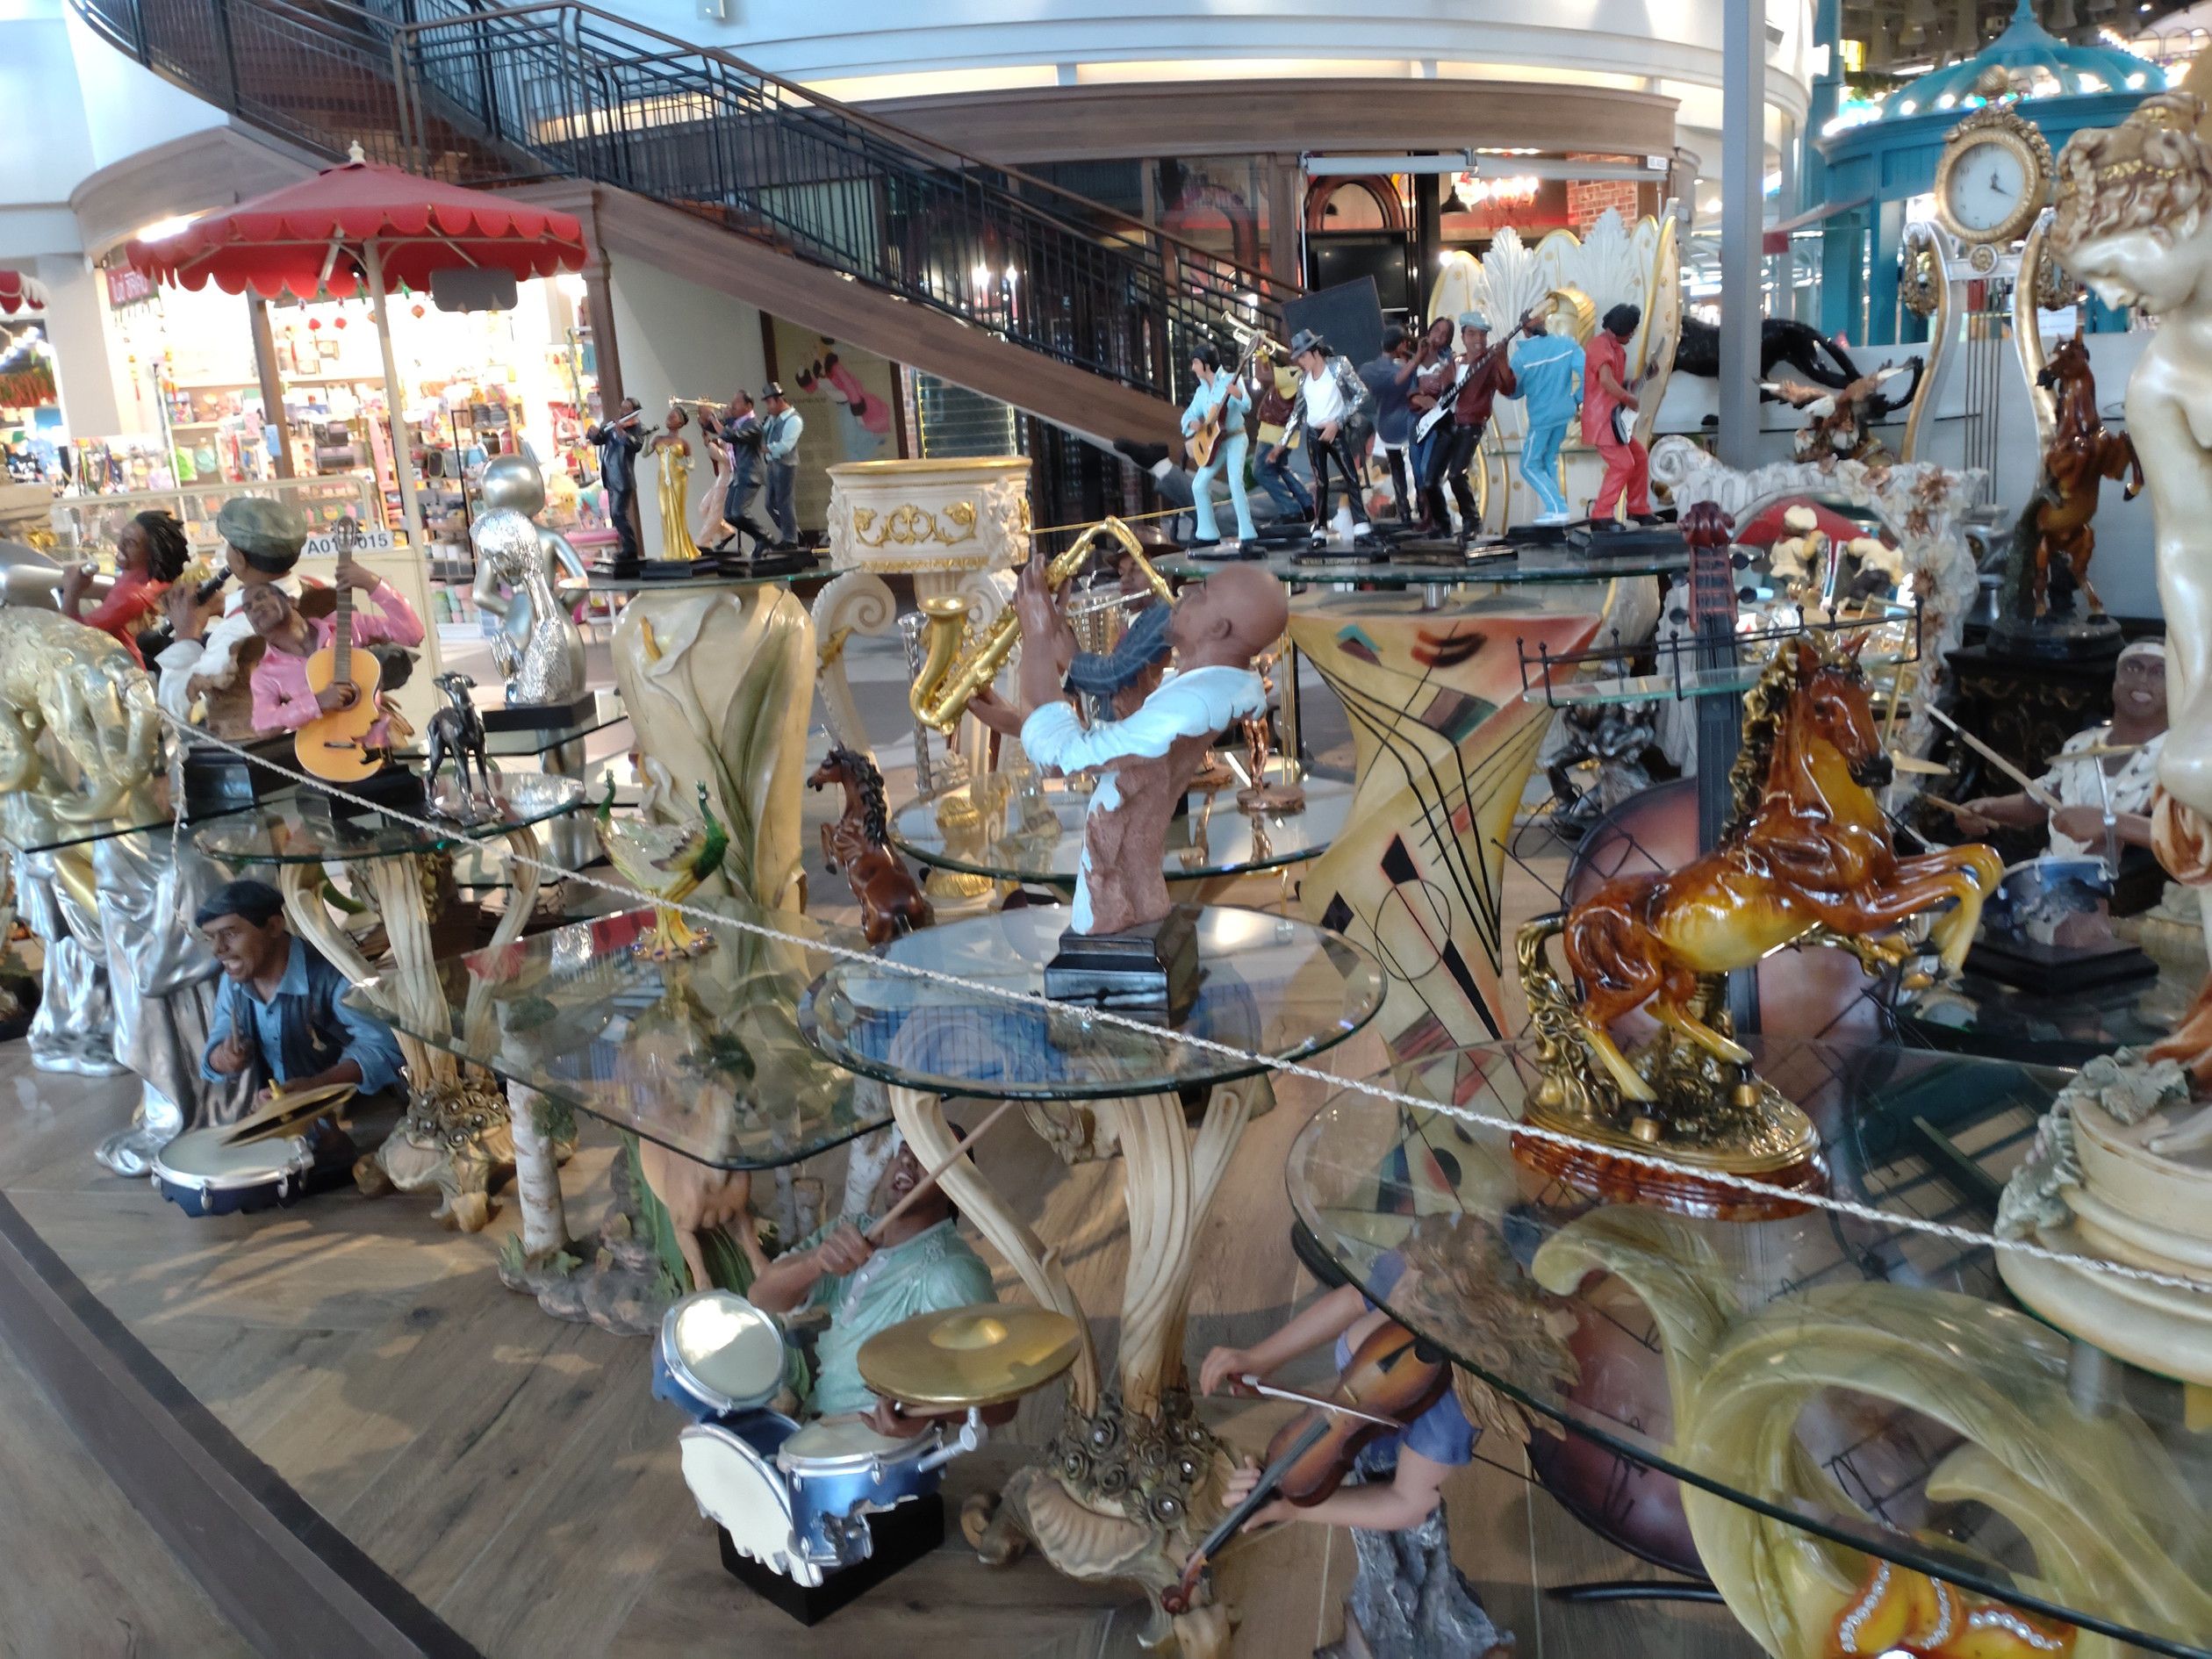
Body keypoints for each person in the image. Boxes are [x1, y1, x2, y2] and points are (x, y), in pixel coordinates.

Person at [1200, 1260, 1511, 1659]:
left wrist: (1294, 1508)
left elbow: (1408, 1503)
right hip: (1348, 1454)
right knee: (1377, 1574)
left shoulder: (1449, 1405)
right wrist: (1260, 1357)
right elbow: (1352, 1300)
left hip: (1392, 1499)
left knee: (1413, 1592)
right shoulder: (1428, 1266)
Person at [973, 557, 1288, 936]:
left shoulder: (1190, 705)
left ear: (1219, 628)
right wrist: (1017, 718)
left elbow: (1061, 757)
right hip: (1132, 885)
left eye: (1202, 592)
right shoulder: (1210, 685)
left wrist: (1037, 636)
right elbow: (1117, 746)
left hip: (1111, 887)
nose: (1186, 591)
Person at [746, 1129, 1000, 1433]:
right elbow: (761, 1296)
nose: (908, 1159)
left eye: (927, 1154)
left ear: (955, 1187)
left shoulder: (952, 1272)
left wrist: (921, 1412)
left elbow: (1001, 1402)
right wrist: (816, 1261)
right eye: (904, 1148)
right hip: (818, 1425)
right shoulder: (853, 1231)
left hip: (879, 1443)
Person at [197, 879, 406, 1107]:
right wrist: (222, 1058)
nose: (217, 949)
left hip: (366, 1113)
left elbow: (386, 1048)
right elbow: (222, 1033)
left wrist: (319, 1085)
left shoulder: (332, 977)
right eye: (210, 937)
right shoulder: (234, 984)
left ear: (274, 926)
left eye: (229, 934)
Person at [1956, 640, 2169, 859]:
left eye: (2159, 672)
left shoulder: (2184, 760)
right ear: (2115, 682)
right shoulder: (2082, 743)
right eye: (2133, 668)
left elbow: (2187, 840)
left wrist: (2109, 822)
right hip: (2055, 869)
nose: (2143, 680)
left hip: (2125, 879)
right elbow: (2039, 802)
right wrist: (1989, 808)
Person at [154, 496, 306, 733]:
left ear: (239, 558)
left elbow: (177, 710)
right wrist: (229, 605)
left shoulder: (234, 635)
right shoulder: (310, 592)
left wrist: (186, 635)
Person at [242, 551, 424, 748]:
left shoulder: (346, 625)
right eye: (247, 607)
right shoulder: (265, 674)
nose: (255, 607)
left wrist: (372, 583)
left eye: (261, 597)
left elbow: (412, 634)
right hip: (325, 754)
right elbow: (263, 725)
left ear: (291, 601)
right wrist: (316, 702)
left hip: (378, 745)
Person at [1425, 312, 1520, 541]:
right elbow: (1439, 389)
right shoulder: (1454, 362)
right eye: (1472, 333)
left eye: (1482, 334)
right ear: (1463, 336)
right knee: (1429, 480)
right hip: (1447, 424)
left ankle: (1472, 520)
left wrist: (1502, 359)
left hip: (1471, 424)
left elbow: (1508, 388)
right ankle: (1443, 524)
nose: (1478, 339)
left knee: (1456, 474)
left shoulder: (1490, 361)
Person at [61, 508, 189, 666]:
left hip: (119, 668)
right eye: (122, 538)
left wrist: (72, 591)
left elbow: (73, 638)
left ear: (151, 553)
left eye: (131, 543)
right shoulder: (149, 579)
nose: (120, 545)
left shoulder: (131, 595)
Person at [1282, 329, 1374, 548]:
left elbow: (1361, 393)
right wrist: (1283, 441)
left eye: (1303, 356)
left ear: (1315, 352)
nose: (1301, 362)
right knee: (1320, 482)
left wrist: (1338, 421)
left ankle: (1362, 528)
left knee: (1351, 477)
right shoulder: (1304, 380)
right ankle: (1319, 529)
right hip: (1314, 433)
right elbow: (1297, 412)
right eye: (1299, 358)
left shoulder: (1338, 366)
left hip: (1335, 430)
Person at [1512, 305, 1584, 525]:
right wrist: (1575, 399)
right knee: (1548, 459)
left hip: (1541, 418)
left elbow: (1514, 392)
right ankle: (1556, 509)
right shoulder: (1567, 344)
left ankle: (1557, 507)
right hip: (1564, 413)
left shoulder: (1521, 357)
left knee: (1528, 465)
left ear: (1524, 330)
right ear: (1543, 323)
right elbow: (1589, 375)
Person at [1584, 302, 1651, 524]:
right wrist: (1628, 398)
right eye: (1630, 331)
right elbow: (1605, 380)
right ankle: (1601, 514)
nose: (1632, 335)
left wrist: (1641, 380)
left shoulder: (1617, 350)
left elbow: (1616, 383)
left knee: (1639, 457)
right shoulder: (1599, 346)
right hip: (1602, 421)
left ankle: (1638, 508)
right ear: (1620, 328)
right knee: (1623, 464)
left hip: (1615, 421)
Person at [1181, 345, 1256, 547]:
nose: (1193, 368)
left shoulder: (1231, 379)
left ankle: (1247, 535)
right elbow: (1188, 414)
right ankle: (1207, 534)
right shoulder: (1201, 392)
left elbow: (1247, 406)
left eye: (1195, 363)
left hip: (1235, 438)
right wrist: (1191, 423)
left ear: (1206, 365)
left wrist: (1238, 394)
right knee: (1198, 485)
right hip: (1215, 443)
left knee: (1235, 482)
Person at [1358, 326, 1421, 523]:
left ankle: (1403, 509)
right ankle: (1421, 507)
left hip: (1384, 424)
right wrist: (1414, 360)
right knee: (1416, 466)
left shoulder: (1368, 369)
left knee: (1396, 467)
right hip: (1406, 424)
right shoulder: (1404, 371)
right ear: (1402, 345)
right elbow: (1402, 383)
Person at [1405, 317, 1460, 535]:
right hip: (1416, 417)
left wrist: (1437, 392)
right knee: (1417, 468)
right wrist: (1418, 396)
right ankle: (1425, 515)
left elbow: (1451, 388)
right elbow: (1406, 387)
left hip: (1437, 418)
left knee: (1428, 467)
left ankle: (1435, 516)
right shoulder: (1416, 356)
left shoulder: (1448, 359)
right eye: (1436, 330)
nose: (1439, 336)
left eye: (1444, 334)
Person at [1249, 346, 1312, 524]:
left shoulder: (1293, 374)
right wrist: (1264, 356)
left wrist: (1258, 351)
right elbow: (1266, 382)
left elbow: (1261, 377)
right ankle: (1307, 503)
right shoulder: (1296, 374)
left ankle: (1290, 509)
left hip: (1274, 433)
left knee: (1260, 472)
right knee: (1279, 468)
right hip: (1282, 432)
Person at [585, 399, 645, 569]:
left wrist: (622, 434)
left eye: (627, 409)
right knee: (615, 515)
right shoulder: (613, 425)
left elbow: (637, 445)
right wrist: (593, 433)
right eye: (622, 408)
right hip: (610, 477)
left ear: (634, 411)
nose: (623, 411)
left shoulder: (636, 427)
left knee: (619, 514)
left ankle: (630, 549)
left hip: (623, 478)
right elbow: (599, 439)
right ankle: (626, 547)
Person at [645, 403, 701, 561]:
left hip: (678, 479)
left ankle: (681, 551)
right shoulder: (658, 439)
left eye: (673, 416)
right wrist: (647, 438)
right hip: (663, 479)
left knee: (678, 513)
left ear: (680, 422)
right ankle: (670, 550)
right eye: (669, 415)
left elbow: (691, 464)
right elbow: (645, 453)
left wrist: (684, 464)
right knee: (665, 512)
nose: (669, 417)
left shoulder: (683, 443)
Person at [759, 382, 805, 549]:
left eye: (769, 402)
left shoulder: (794, 420)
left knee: (784, 502)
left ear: (779, 400)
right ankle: (792, 532)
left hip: (786, 465)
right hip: (772, 463)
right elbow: (763, 433)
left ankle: (790, 539)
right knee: (770, 504)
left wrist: (767, 448)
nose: (767, 407)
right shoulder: (772, 419)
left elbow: (785, 446)